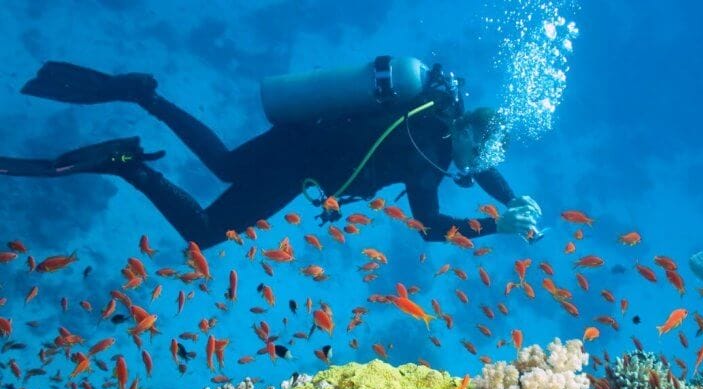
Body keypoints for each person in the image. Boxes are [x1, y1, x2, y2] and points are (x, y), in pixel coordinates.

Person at [0, 60, 543, 249]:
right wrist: (498, 226)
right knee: (205, 233)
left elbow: (482, 164)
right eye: (477, 154)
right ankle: (129, 166)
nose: (477, 166)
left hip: (302, 138)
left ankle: (146, 96)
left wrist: (511, 198)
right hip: (302, 166)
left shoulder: (439, 116)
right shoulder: (425, 154)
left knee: (225, 165)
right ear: (464, 134)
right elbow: (429, 227)